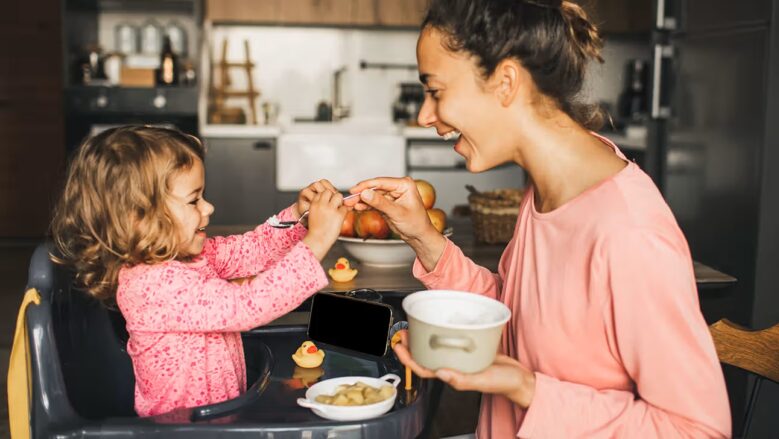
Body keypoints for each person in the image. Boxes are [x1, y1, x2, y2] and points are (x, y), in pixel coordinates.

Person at [349, 0, 731, 437]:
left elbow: (697, 429)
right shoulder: (550, 188)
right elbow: (517, 316)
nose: (424, 115)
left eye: (435, 91)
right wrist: (421, 235)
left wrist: (527, 387)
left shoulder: (628, 233)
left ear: (506, 82)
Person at [50, 125, 347, 416]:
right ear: (137, 218)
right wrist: (318, 240)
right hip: (185, 431)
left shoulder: (188, 256)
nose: (208, 208)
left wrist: (298, 218)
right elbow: (248, 304)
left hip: (222, 417)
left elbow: (251, 249)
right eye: (194, 200)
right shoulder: (151, 285)